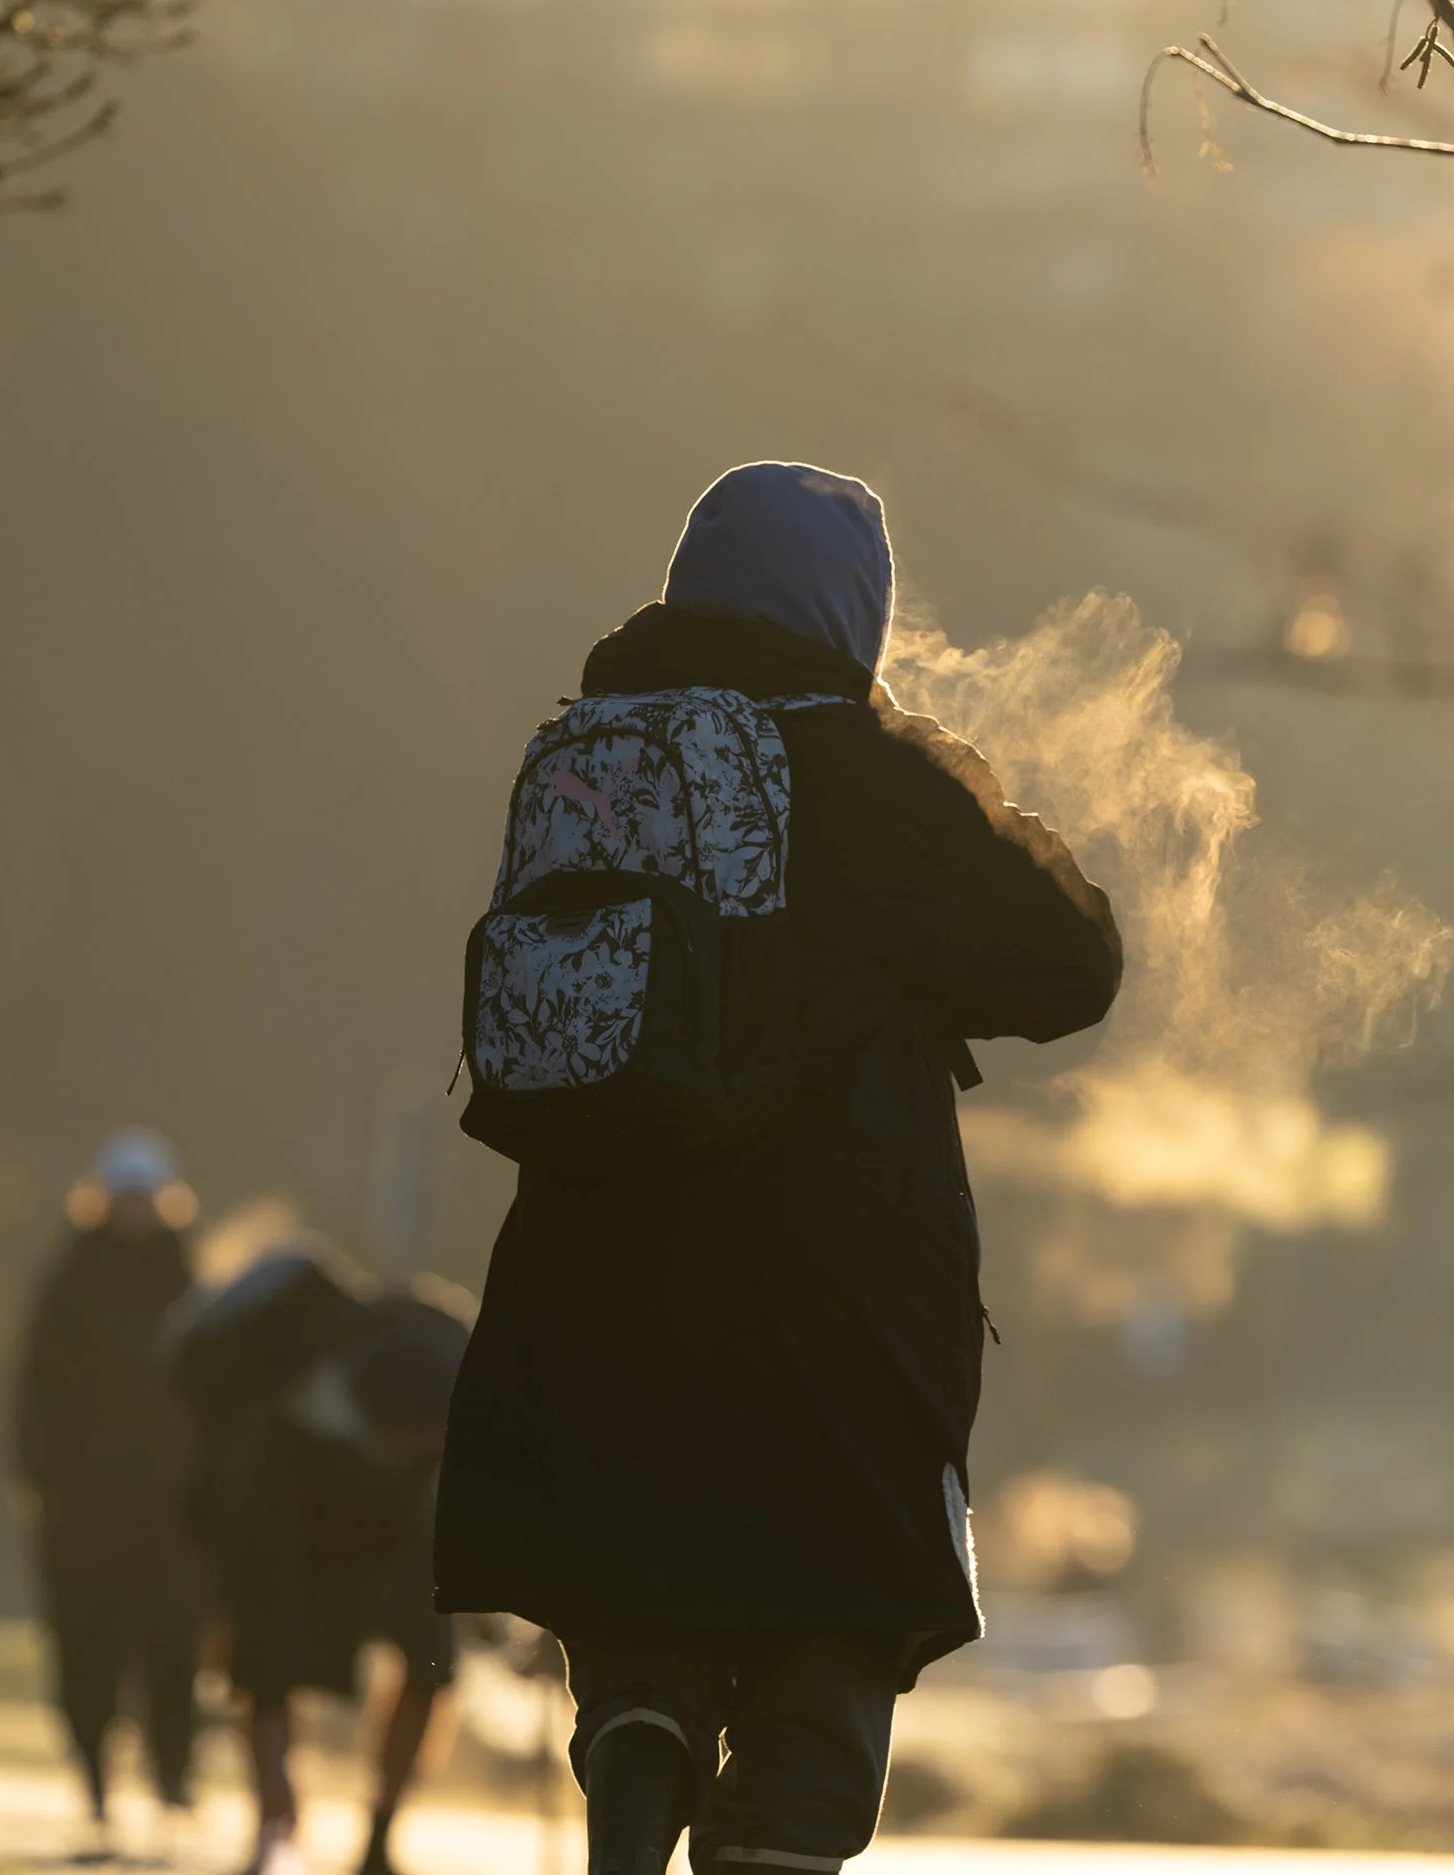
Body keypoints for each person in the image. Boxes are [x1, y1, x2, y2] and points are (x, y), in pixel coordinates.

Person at [435, 462, 1124, 1875]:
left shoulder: (586, 754)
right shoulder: (867, 776)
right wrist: (956, 777)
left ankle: (637, 1733)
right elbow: (1071, 959)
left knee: (642, 1610)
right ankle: (762, 1841)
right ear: (850, 611)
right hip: (828, 1303)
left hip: (592, 1288)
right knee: (826, 1666)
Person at [170, 1240, 471, 1875]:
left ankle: (381, 1837)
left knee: (432, 1658)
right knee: (267, 1663)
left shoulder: (459, 1402)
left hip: (399, 1526)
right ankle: (276, 1830)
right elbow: (255, 1648)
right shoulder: (273, 1437)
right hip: (294, 1518)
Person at [9, 1127, 205, 1841]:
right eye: (123, 1199)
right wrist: (39, 1479)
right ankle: (94, 1767)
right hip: (84, 1505)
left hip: (170, 1505)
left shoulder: (188, 1281)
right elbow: (34, 1392)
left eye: (143, 1199)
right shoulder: (68, 1285)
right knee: (86, 1641)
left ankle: (174, 1770)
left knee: (173, 1642)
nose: (133, 1212)